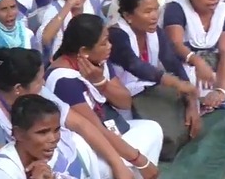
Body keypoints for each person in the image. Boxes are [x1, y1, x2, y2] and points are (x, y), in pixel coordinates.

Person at [0, 47, 132, 179]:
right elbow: (12, 166)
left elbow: (80, 124)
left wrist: (118, 164)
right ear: (18, 88)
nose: (43, 84)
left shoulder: (31, 90)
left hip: (44, 164)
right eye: (39, 81)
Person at [46, 14, 163, 178]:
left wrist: (101, 83)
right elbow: (94, 129)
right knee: (133, 161)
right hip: (87, 148)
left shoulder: (97, 60)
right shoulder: (63, 80)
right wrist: (140, 160)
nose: (109, 46)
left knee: (152, 129)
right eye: (104, 43)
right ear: (84, 51)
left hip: (108, 131)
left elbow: (125, 102)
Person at [109, 0, 201, 159]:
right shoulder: (117, 35)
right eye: (147, 11)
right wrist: (176, 83)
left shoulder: (154, 31)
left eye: (156, 9)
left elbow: (172, 63)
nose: (154, 16)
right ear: (128, 16)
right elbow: (135, 66)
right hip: (121, 98)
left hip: (148, 89)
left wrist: (191, 101)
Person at [0, 95, 68, 178]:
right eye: (43, 132)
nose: (53, 139)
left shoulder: (56, 159)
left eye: (56, 130)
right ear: (19, 133)